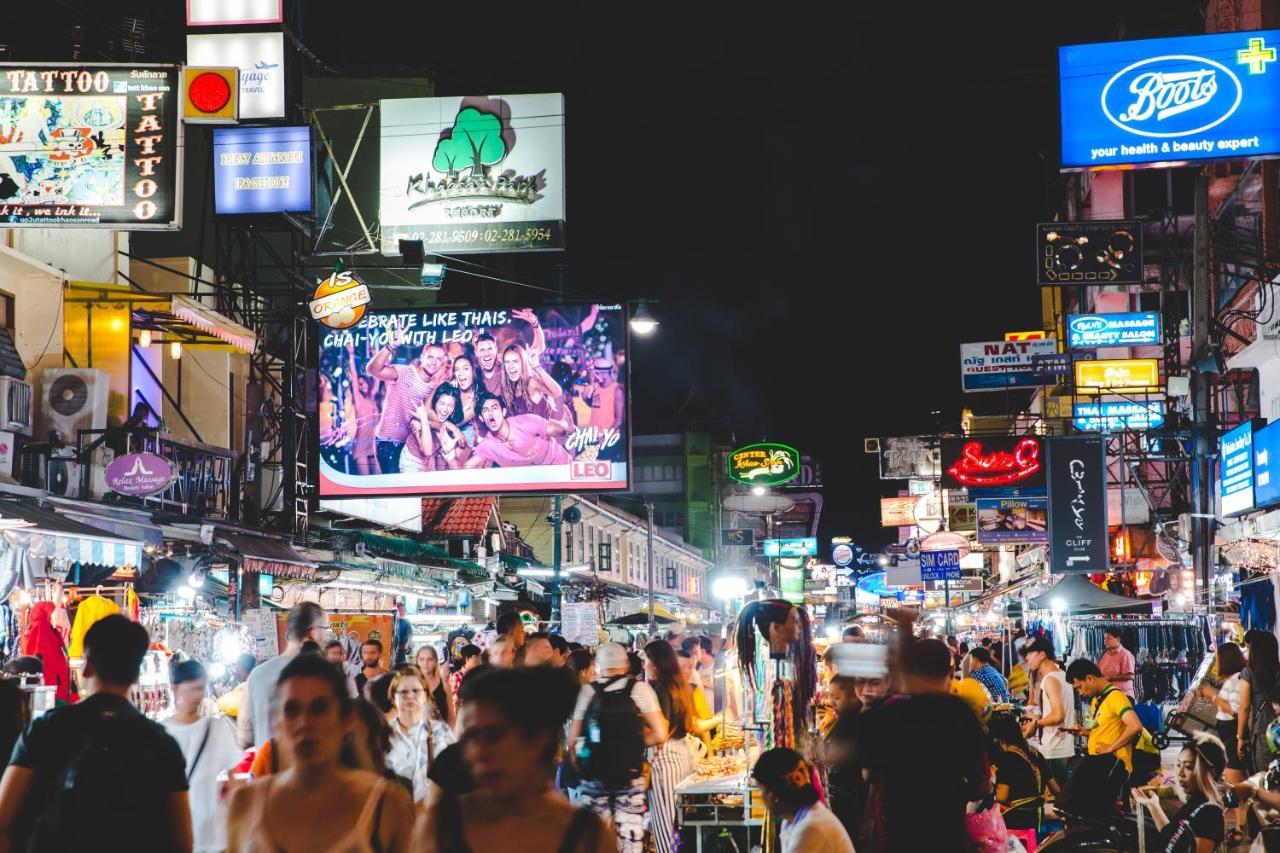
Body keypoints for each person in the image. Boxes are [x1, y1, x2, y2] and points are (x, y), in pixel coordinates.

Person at [0, 615, 192, 853]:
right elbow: (183, 843)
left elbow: (4, 818)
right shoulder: (161, 743)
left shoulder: (47, 729)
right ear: (136, 674)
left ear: (87, 664)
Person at [413, 666, 613, 853]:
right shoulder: (440, 827)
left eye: (494, 736)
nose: (478, 752)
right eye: (471, 737)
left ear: (537, 739)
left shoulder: (587, 836)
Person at [226, 653, 414, 852]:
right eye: (292, 709)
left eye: (319, 708)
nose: (305, 722)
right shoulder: (246, 805)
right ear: (276, 722)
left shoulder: (385, 806)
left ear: (346, 720)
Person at [855, 637, 993, 851]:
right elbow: (982, 786)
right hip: (947, 834)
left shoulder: (890, 710)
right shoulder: (960, 712)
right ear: (949, 671)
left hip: (898, 834)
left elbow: (871, 774)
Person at [569, 642, 668, 853]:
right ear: (625, 664)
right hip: (630, 776)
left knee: (595, 840)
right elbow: (661, 734)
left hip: (594, 777)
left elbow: (572, 740)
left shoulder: (587, 692)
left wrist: (581, 767)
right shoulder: (640, 689)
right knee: (630, 840)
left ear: (598, 665)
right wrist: (636, 741)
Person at [164, 659, 242, 853]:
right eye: (191, 688)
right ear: (175, 688)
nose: (197, 695)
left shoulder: (217, 728)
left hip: (217, 836)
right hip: (182, 834)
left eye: (201, 689)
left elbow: (236, 781)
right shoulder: (162, 733)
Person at [238, 601, 328, 748]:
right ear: (314, 632)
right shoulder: (325, 675)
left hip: (267, 768)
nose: (325, 638)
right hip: (312, 770)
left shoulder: (256, 675)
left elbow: (245, 735)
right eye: (325, 630)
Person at [367, 325, 449, 474]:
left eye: (439, 359)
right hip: (388, 443)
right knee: (393, 491)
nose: (434, 362)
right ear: (423, 357)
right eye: (430, 356)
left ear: (443, 362)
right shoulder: (404, 372)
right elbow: (372, 370)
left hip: (411, 447)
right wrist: (390, 346)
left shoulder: (434, 387)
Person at [1065, 658, 1159, 788]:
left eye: (1079, 687)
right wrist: (1085, 732)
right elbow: (1105, 729)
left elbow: (1135, 726)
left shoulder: (1116, 697)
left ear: (1089, 678)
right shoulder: (1096, 700)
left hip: (1115, 770)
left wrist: (1110, 747)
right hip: (1102, 767)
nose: (1080, 693)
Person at [1133, 733, 1227, 852]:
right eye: (1178, 765)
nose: (1180, 773)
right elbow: (1172, 838)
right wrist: (1153, 805)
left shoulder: (1209, 812)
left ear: (1210, 773)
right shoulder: (1195, 802)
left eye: (1188, 767)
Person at [645, 640, 696, 853]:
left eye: (646, 660)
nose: (644, 665)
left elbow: (661, 733)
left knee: (666, 826)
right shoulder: (680, 687)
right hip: (682, 755)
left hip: (665, 760)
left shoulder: (662, 690)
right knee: (678, 823)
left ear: (656, 664)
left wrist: (633, 736)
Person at [752, 747, 855, 853]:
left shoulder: (811, 827)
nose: (761, 796)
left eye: (761, 789)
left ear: (773, 795)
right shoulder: (793, 820)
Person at [385, 666, 456, 806]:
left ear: (426, 695)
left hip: (432, 814)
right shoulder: (383, 734)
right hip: (394, 813)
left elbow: (453, 777)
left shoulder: (441, 732)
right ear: (393, 697)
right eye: (404, 692)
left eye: (416, 691)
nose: (410, 696)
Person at [448, 393, 571, 469]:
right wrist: (449, 454)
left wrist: (567, 428)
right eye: (485, 410)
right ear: (481, 418)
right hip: (537, 484)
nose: (490, 413)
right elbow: (462, 471)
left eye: (494, 408)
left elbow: (560, 431)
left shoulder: (526, 422)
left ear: (503, 412)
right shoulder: (488, 446)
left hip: (561, 467)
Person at [1198, 642, 1246, 836]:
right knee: (1235, 782)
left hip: (1232, 733)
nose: (1217, 663)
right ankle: (1240, 826)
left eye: (1218, 659)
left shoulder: (1236, 679)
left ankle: (1240, 828)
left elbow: (1234, 709)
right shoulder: (1233, 679)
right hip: (1227, 733)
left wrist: (1213, 696)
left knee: (1236, 785)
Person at [1021, 636, 1076, 789]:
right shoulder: (1063, 675)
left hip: (1054, 747)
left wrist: (1036, 723)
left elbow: (1058, 715)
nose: (1027, 658)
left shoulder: (1049, 679)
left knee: (1056, 797)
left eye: (1030, 653)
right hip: (1063, 746)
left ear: (1042, 654)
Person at [988, 713, 1055, 833]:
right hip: (1036, 817)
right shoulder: (1035, 754)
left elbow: (1002, 797)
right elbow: (1056, 789)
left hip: (1016, 819)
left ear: (999, 740)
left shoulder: (1006, 758)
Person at [1240, 630, 1280, 775]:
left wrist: (1240, 737)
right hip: (1278, 728)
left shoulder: (1248, 673)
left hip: (1264, 732)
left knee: (1265, 776)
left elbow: (1244, 707)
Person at [414, 645, 455, 727]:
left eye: (430, 659)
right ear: (417, 661)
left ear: (436, 661)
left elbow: (450, 715)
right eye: (421, 659)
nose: (425, 663)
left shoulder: (444, 685)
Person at [1098, 625, 1137, 699]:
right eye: (1104, 638)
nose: (1105, 641)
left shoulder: (1125, 654)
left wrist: (1110, 677)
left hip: (1123, 696)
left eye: (1108, 638)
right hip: (1107, 696)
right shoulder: (1104, 656)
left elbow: (1130, 676)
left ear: (1118, 639)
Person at [393, 602, 413, 667]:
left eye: (403, 610)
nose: (402, 612)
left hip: (402, 649)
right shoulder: (392, 621)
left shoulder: (407, 622)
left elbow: (410, 634)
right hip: (393, 650)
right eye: (400, 610)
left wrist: (408, 643)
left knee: (402, 668)